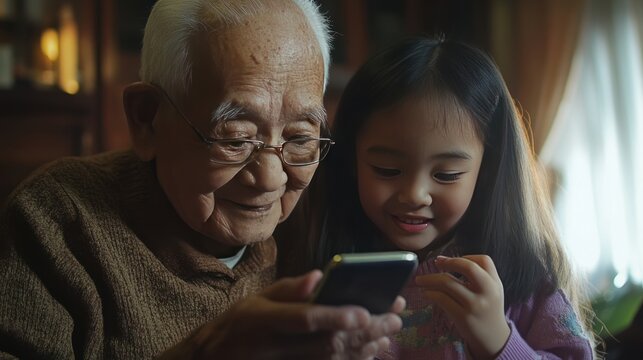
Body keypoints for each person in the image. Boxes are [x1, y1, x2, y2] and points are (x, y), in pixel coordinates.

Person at [0, 0, 404, 358]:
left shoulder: (315, 223)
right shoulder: (58, 221)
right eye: (236, 138)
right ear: (148, 119)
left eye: (299, 138)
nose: (269, 178)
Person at [282, 37, 597, 358]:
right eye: (387, 170)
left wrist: (500, 342)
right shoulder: (318, 270)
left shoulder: (523, 276)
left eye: (446, 175)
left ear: (486, 171)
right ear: (351, 161)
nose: (415, 195)